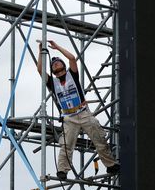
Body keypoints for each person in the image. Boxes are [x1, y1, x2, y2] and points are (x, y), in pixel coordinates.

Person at [37, 40, 120, 180]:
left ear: (63, 65)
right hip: (69, 118)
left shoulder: (72, 75)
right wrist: (41, 52)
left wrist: (57, 47)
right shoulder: (52, 82)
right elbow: (39, 69)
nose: (55, 63)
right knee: (66, 145)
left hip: (83, 113)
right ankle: (62, 170)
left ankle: (110, 164)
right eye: (53, 64)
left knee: (99, 138)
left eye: (58, 62)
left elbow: (72, 58)